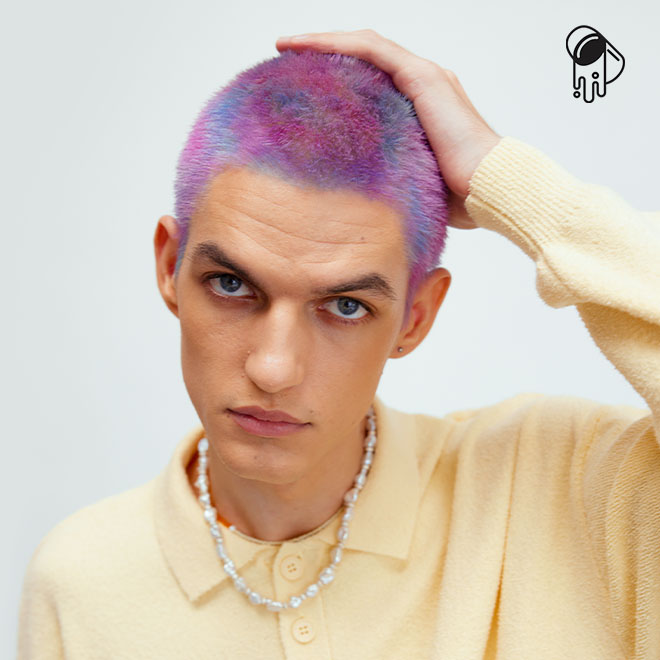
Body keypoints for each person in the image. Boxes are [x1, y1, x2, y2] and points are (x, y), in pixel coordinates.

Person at [17, 29, 660, 660]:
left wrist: (515, 186)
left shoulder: (572, 489)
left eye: (346, 306)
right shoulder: (82, 581)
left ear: (414, 318)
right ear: (169, 267)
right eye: (231, 284)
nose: (273, 368)